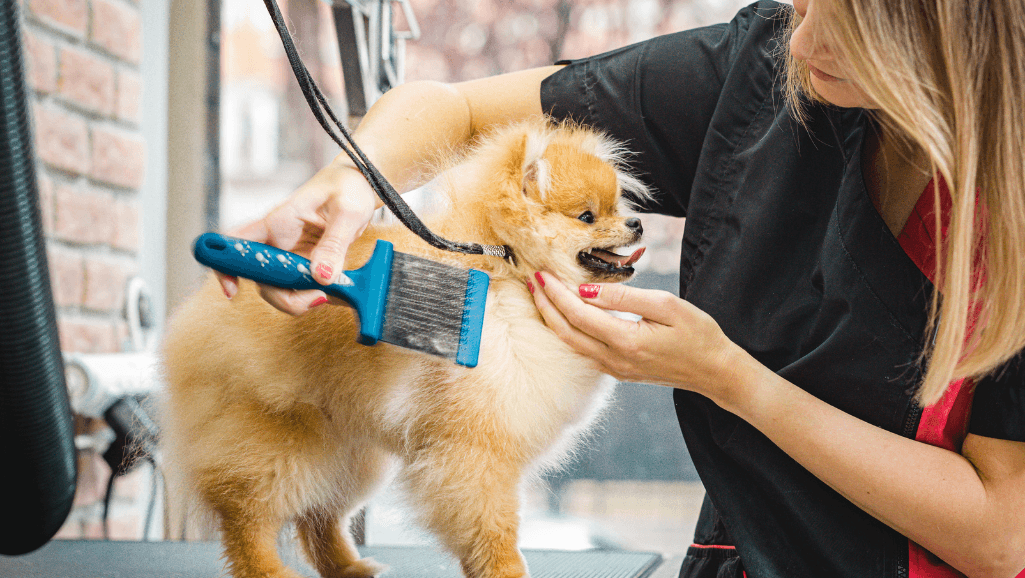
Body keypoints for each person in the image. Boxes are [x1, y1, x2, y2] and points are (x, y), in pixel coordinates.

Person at [216, 1, 1025, 576]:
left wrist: (730, 379)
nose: (801, 38)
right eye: (805, 2)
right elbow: (453, 109)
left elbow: (1000, 538)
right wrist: (347, 183)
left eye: (844, 25)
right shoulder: (763, 68)